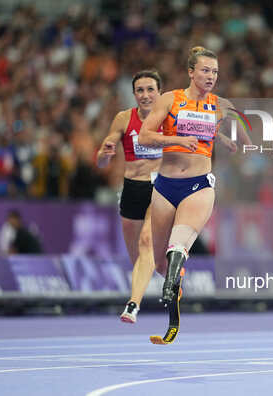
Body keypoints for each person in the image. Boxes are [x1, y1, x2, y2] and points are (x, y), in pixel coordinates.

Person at [139, 46, 251, 309]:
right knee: (160, 263)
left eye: (215, 72)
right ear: (191, 72)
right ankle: (174, 277)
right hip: (165, 186)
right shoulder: (169, 100)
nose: (210, 76)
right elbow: (145, 137)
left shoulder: (220, 105)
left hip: (198, 186)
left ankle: (171, 284)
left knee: (178, 244)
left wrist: (228, 136)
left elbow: (245, 129)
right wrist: (177, 139)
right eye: (205, 70)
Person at [96, 70, 164, 323]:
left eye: (150, 90)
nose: (145, 95)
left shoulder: (170, 119)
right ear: (134, 94)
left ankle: (132, 305)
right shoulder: (124, 118)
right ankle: (167, 273)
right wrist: (105, 153)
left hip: (160, 188)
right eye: (140, 90)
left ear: (159, 92)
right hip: (132, 188)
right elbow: (102, 162)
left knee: (147, 242)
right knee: (137, 257)